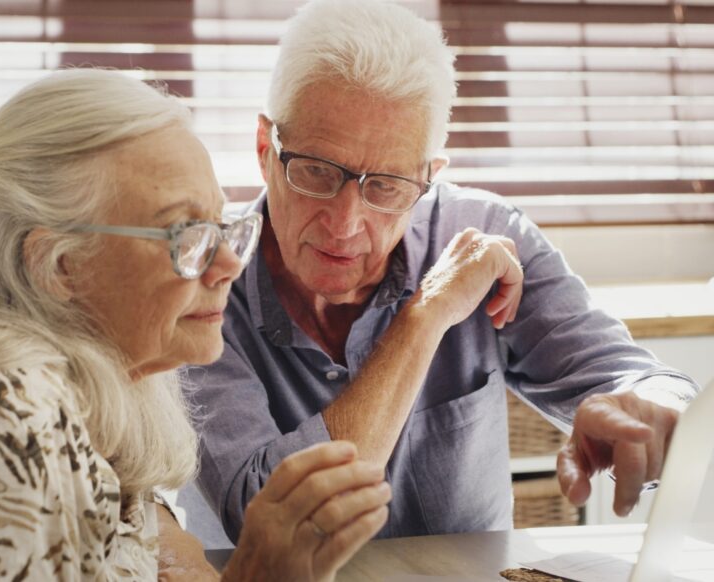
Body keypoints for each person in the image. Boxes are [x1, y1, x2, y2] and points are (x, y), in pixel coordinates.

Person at [189, 0, 699, 542]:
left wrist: (651, 412)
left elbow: (644, 381)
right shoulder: (200, 278)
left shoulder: (484, 232)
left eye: (385, 186)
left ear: (429, 178)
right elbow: (270, 523)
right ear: (266, 149)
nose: (344, 224)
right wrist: (426, 316)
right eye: (316, 171)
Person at [0, 69, 391, 580]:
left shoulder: (98, 384)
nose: (228, 265)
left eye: (220, 227)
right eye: (183, 236)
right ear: (60, 265)